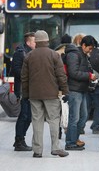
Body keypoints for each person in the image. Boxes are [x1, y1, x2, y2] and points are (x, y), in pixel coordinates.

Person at [21, 30, 69, 158]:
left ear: (35, 42)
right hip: (51, 94)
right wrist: (65, 91)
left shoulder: (29, 56)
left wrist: (25, 94)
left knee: (37, 121)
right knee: (54, 120)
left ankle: (37, 150)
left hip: (34, 94)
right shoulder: (54, 55)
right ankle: (55, 148)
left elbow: (24, 78)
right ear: (47, 41)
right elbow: (61, 75)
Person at [64, 35, 97, 151]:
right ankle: (70, 142)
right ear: (83, 45)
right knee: (75, 118)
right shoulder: (74, 54)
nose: (90, 51)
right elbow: (73, 73)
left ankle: (75, 138)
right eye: (90, 48)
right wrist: (88, 76)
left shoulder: (83, 55)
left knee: (83, 116)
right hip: (74, 90)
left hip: (82, 89)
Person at [11, 32, 36, 151]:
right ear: (28, 42)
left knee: (29, 116)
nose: (36, 43)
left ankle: (21, 139)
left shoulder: (31, 53)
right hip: (22, 89)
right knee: (24, 115)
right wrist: (29, 75)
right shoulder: (20, 53)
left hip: (29, 89)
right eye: (34, 41)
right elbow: (15, 70)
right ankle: (19, 141)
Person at [86, 43, 99, 134]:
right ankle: (96, 126)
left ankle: (80, 127)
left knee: (86, 106)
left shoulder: (86, 56)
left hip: (87, 84)